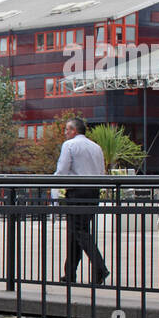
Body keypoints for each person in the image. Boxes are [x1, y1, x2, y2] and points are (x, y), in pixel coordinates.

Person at [55, 117, 109, 286]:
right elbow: (101, 172)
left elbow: (62, 170)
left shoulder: (69, 145)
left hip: (77, 192)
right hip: (93, 192)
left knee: (78, 231)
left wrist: (55, 193)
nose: (64, 133)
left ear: (74, 131)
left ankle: (100, 267)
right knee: (77, 232)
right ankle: (70, 273)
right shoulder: (96, 147)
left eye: (66, 130)